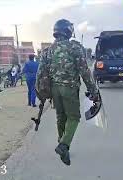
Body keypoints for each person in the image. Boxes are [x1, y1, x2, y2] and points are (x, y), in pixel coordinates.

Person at [37, 19, 100, 166]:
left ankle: (63, 146)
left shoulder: (48, 51)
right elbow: (84, 71)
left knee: (61, 116)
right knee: (74, 117)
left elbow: (41, 73)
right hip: (69, 88)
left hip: (54, 90)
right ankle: (63, 145)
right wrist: (93, 90)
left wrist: (41, 93)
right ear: (68, 31)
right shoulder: (74, 47)